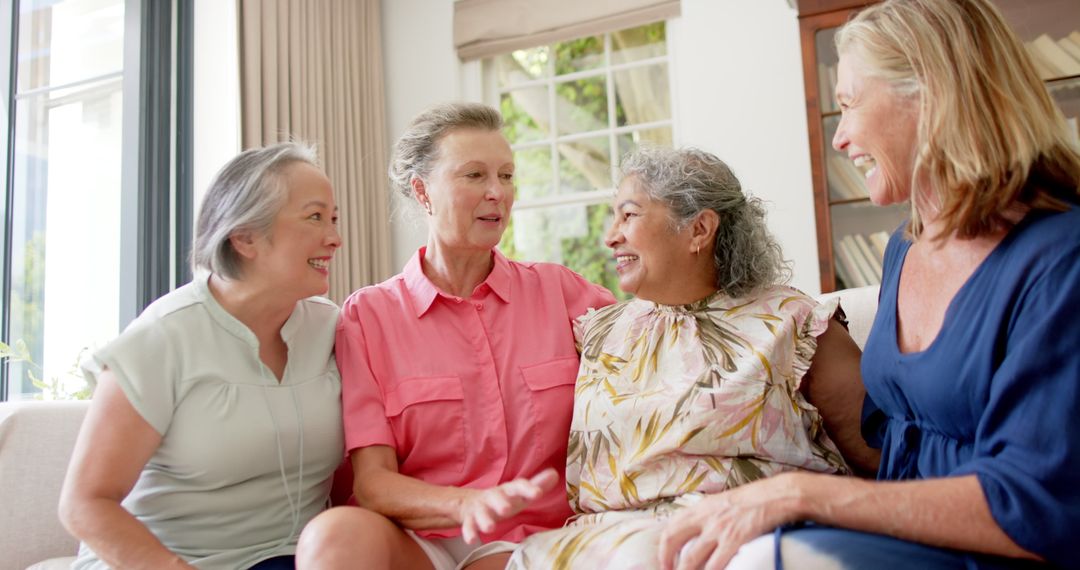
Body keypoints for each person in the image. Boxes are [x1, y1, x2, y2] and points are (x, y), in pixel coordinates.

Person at [657, 1, 1080, 568]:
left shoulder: (1060, 258)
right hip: (914, 540)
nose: (840, 136)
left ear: (929, 92)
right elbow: (886, 437)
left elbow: (1039, 506)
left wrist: (798, 495)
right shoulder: (905, 250)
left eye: (850, 104)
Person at [505, 146, 877, 569]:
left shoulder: (794, 324)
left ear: (699, 229)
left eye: (629, 215)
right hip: (600, 546)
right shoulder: (598, 334)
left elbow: (882, 459)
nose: (610, 236)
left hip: (739, 540)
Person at [295, 102, 615, 570]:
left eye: (506, 176)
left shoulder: (561, 291)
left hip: (535, 541)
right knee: (332, 536)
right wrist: (464, 504)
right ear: (422, 191)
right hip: (422, 540)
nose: (497, 193)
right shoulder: (369, 316)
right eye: (474, 176)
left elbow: (658, 346)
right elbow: (373, 483)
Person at [58, 142, 346, 570]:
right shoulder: (162, 338)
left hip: (292, 558)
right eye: (315, 217)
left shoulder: (333, 329)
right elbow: (84, 504)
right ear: (245, 237)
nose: (335, 238)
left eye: (334, 218)